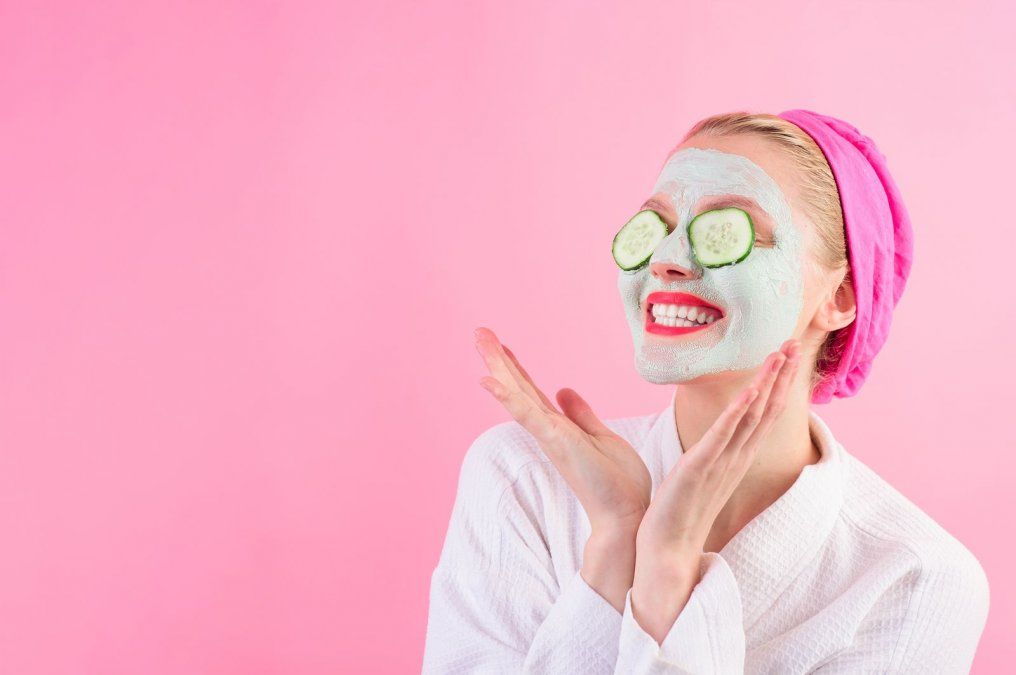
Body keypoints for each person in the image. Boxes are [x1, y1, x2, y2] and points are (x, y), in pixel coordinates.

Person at [421, 110, 990, 674]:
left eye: (725, 229)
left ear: (840, 297)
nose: (665, 259)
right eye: (655, 225)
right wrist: (618, 543)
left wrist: (668, 567)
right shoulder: (524, 480)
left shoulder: (917, 577)